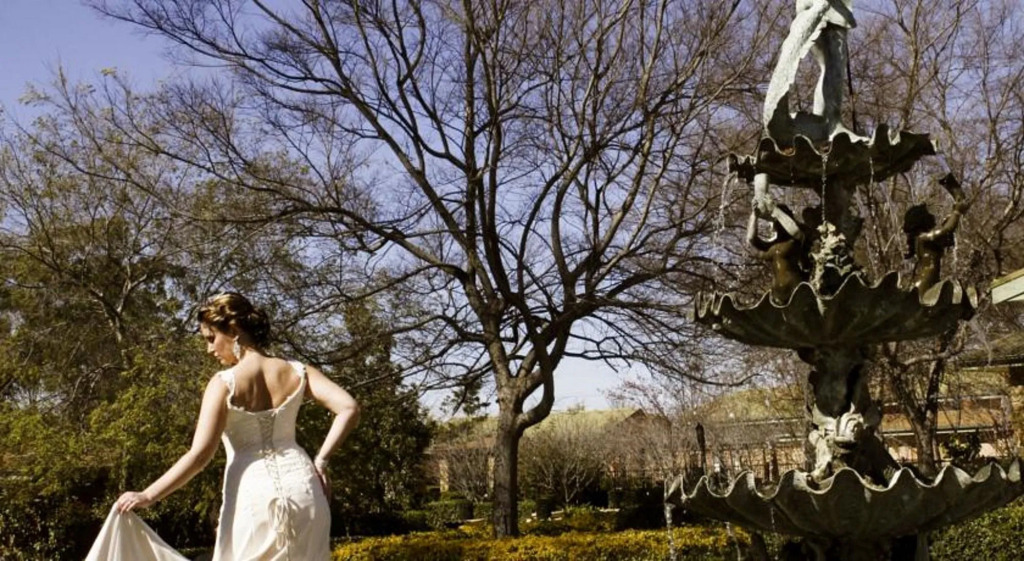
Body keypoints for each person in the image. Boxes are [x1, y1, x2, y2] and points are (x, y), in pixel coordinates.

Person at [86, 292, 360, 560]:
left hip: (253, 495)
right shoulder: (298, 371)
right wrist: (321, 461)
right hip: (304, 488)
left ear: (234, 331)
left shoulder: (224, 383)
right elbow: (349, 408)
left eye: (211, 338)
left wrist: (148, 495)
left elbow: (199, 455)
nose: (209, 349)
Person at [764, 0, 857, 142]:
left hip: (815, 9)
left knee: (828, 67)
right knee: (834, 67)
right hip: (828, 11)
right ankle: (832, 125)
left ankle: (825, 124)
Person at [903, 174, 969, 295]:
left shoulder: (925, 239)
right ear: (921, 220)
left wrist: (955, 210)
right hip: (924, 284)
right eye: (928, 214)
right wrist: (956, 212)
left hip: (930, 281)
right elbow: (946, 230)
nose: (932, 216)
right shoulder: (924, 238)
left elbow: (947, 230)